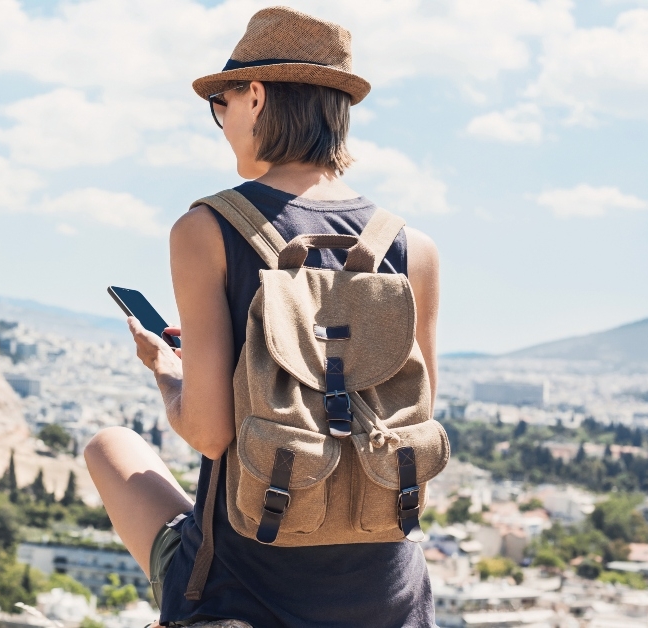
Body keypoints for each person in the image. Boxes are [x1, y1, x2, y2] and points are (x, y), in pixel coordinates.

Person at [84, 7, 440, 627]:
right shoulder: (413, 246)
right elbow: (414, 413)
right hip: (390, 597)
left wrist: (170, 374)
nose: (222, 123)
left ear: (256, 95)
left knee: (108, 446)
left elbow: (211, 433)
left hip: (245, 592)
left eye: (221, 104)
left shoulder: (208, 229)